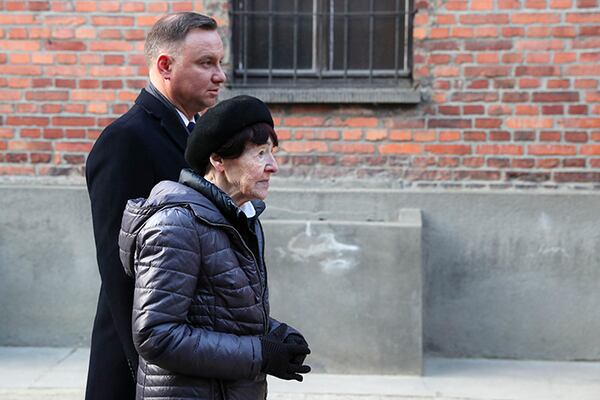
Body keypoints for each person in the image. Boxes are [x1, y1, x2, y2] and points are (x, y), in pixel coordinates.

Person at [118, 95, 311, 399]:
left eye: (272, 153)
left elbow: (220, 314)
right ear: (218, 160)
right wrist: (259, 354)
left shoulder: (241, 218)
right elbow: (156, 335)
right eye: (260, 153)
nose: (273, 166)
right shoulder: (177, 224)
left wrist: (275, 335)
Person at [85, 12, 226, 400]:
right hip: (141, 364)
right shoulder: (124, 140)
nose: (220, 76)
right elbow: (120, 270)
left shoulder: (198, 136)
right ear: (165, 65)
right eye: (206, 63)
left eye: (220, 63)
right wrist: (147, 371)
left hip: (191, 349)